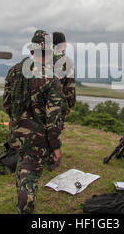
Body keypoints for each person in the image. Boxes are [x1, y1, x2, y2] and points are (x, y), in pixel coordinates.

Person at [3, 30, 63, 214]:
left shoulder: (14, 72)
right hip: (37, 140)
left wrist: (19, 121)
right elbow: (53, 118)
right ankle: (24, 209)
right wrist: (56, 145)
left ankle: (21, 202)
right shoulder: (50, 78)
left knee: (22, 168)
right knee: (29, 175)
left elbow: (6, 105)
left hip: (17, 135)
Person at [49, 32, 76, 170]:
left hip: (41, 102)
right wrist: (70, 104)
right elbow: (70, 87)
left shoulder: (43, 58)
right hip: (58, 104)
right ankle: (53, 157)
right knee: (56, 129)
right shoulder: (66, 61)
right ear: (63, 43)